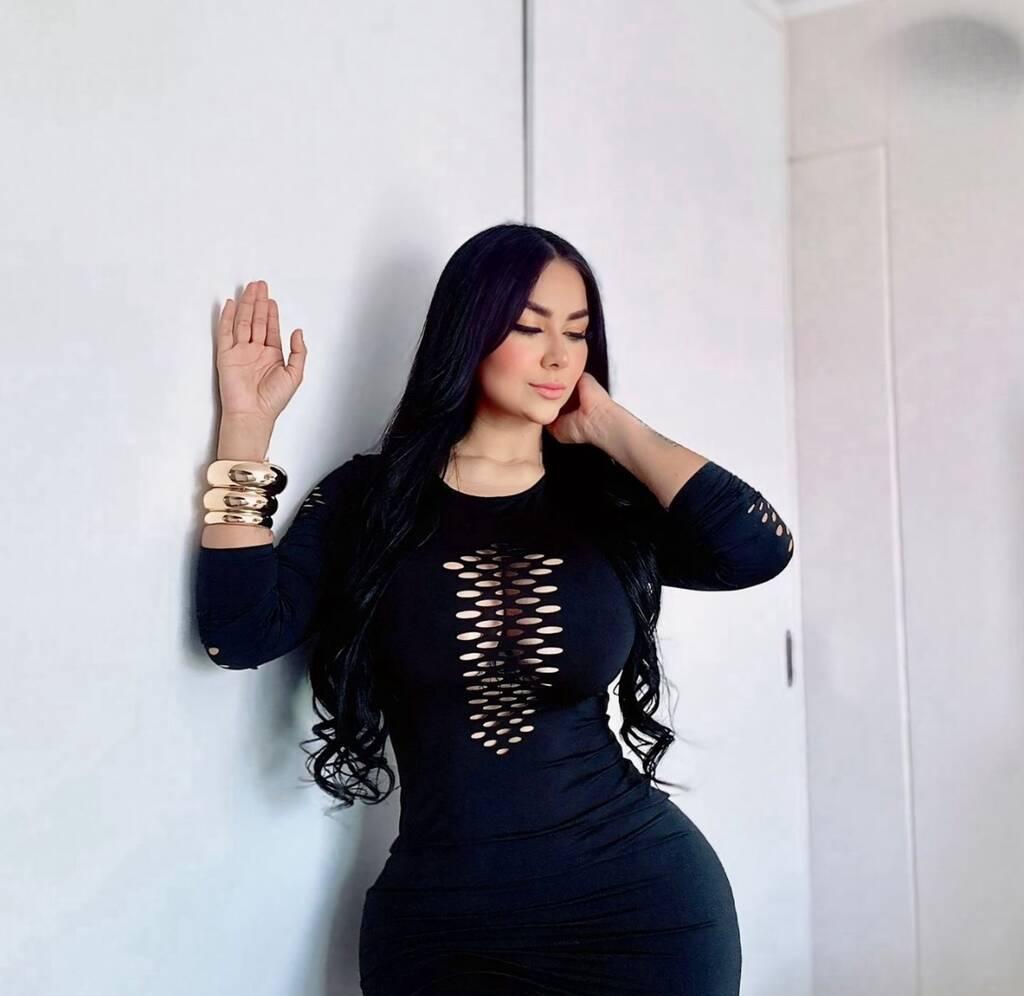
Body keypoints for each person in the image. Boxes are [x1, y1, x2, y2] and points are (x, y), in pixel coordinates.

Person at [195, 223, 794, 995]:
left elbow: (758, 549)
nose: (559, 357)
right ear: (470, 332)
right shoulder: (371, 500)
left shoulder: (606, 504)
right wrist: (246, 429)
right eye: (529, 328)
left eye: (577, 332)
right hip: (441, 927)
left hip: (640, 908)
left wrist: (612, 427)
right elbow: (239, 633)